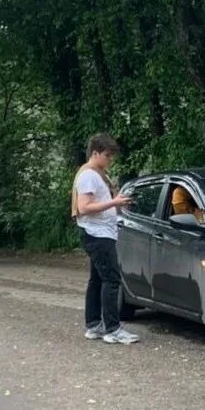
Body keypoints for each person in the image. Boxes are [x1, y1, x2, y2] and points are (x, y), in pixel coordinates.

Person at [72, 133, 140, 344]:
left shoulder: (98, 174)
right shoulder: (88, 175)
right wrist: (114, 203)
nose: (110, 160)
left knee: (97, 279)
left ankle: (94, 325)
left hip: (100, 232)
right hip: (97, 234)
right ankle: (113, 329)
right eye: (107, 155)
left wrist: (117, 203)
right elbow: (84, 207)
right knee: (111, 279)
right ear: (95, 153)